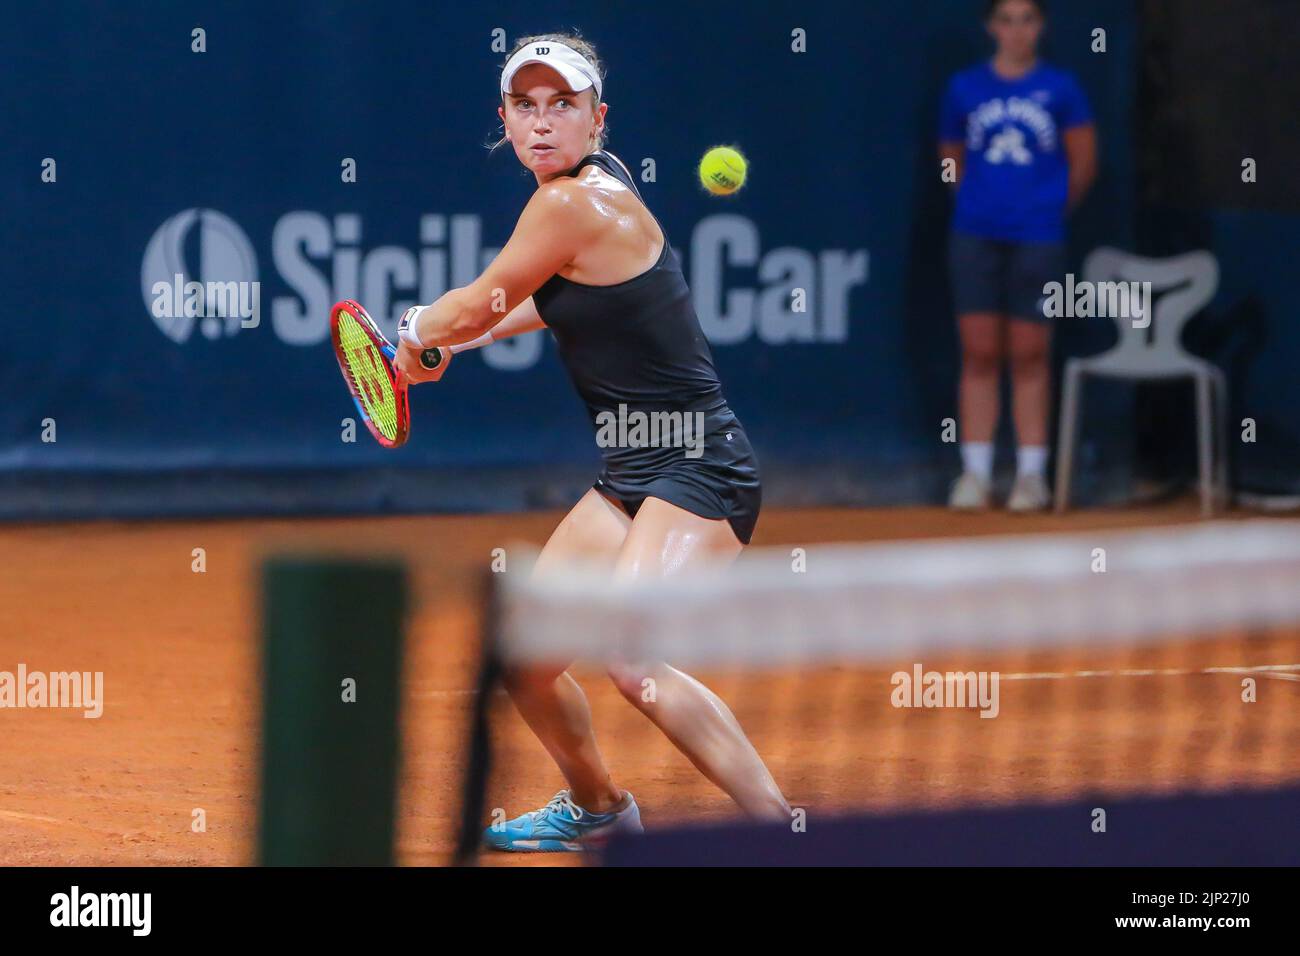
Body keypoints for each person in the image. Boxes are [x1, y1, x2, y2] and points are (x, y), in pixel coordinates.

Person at [394, 32, 790, 851]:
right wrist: (447, 350)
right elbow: (546, 302)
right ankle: (599, 804)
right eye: (526, 106)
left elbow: (472, 306)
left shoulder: (572, 202)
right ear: (504, 117)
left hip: (701, 465)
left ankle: (788, 835)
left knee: (631, 661)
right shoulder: (592, 190)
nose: (542, 124)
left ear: (596, 118)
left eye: (562, 106)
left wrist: (414, 332)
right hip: (632, 471)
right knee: (526, 657)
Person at [939, 0, 1097, 511]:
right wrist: (979, 207)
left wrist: (1043, 211)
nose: (1016, 30)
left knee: (1030, 355)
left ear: (1041, 27)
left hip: (1038, 239)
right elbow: (950, 161)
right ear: (991, 28)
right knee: (980, 353)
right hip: (975, 235)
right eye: (1006, 19)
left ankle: (1032, 477)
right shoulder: (964, 88)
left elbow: (1083, 162)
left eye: (1027, 19)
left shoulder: (1062, 89)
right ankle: (976, 475)